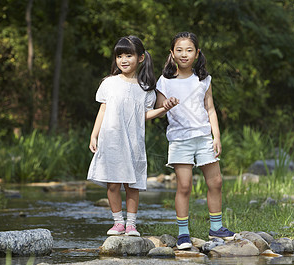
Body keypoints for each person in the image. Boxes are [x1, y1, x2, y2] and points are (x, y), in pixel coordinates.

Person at [88, 35, 177, 237]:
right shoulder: (109, 83)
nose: (124, 60)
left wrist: (163, 109)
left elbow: (144, 115)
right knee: (112, 184)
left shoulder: (146, 89)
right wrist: (94, 135)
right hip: (110, 140)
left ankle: (131, 224)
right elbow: (103, 110)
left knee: (132, 185)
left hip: (133, 142)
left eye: (129, 55)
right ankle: (118, 222)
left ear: (141, 58)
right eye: (120, 55)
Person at [156, 31, 235, 250]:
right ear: (172, 53)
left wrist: (216, 136)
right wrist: (167, 105)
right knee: (184, 185)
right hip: (180, 140)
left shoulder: (203, 79)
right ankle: (183, 234)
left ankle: (216, 227)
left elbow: (210, 109)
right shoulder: (165, 81)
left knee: (216, 182)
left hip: (203, 137)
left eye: (189, 50)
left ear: (197, 53)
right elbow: (159, 111)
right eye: (179, 50)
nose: (184, 54)